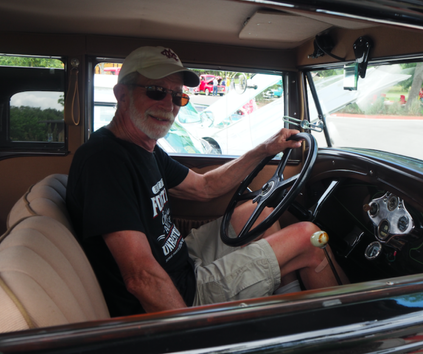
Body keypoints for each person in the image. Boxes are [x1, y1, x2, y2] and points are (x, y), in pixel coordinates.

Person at [66, 46, 344, 317]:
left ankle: (286, 310)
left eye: (178, 97)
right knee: (309, 239)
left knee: (262, 213)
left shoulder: (144, 148)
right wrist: (191, 338)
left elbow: (205, 187)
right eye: (156, 91)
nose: (168, 106)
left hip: (182, 260)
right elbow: (141, 277)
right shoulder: (104, 160)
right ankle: (346, 337)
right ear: (122, 95)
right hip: (182, 294)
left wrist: (265, 149)